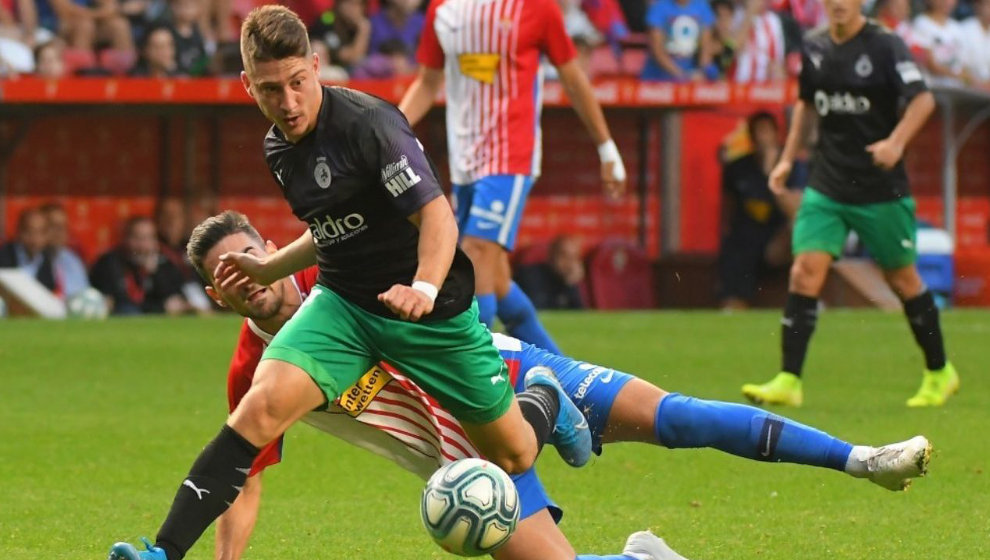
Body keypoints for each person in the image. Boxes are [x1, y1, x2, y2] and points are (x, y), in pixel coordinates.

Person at [139, 211, 929, 560]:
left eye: (248, 256)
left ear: (272, 248)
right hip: (469, 467)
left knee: (680, 417)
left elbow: (431, 260)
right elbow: (243, 475)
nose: (243, 277)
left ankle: (863, 458)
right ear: (219, 293)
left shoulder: (338, 273)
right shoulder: (260, 371)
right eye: (223, 276)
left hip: (506, 371)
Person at [107, 6, 590, 560]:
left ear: (316, 66)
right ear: (247, 86)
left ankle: (543, 396)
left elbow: (438, 218)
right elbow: (334, 230)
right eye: (270, 90)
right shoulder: (278, 148)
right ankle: (163, 552)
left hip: (429, 313)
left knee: (514, 456)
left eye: (297, 83)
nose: (288, 103)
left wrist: (424, 288)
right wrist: (269, 268)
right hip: (342, 305)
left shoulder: (370, 124)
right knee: (258, 410)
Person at [741, 0, 959, 408]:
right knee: (805, 271)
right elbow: (807, 104)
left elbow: (923, 100)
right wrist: (788, 159)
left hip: (879, 187)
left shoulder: (885, 45)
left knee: (903, 281)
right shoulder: (814, 46)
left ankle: (939, 371)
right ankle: (789, 379)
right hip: (828, 184)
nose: (839, 4)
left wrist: (896, 143)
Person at [399, 0, 626, 355]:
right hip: (465, 163)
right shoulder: (442, 10)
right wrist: (388, 131)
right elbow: (428, 81)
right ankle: (567, 380)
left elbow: (572, 75)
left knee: (473, 257)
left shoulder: (536, 7)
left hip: (510, 155)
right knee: (497, 278)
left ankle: (473, 380)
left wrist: (606, 147)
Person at [717, 112, 804, 310]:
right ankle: (733, 306)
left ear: (777, 134)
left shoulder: (792, 167)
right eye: (759, 131)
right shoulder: (738, 168)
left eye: (767, 131)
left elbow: (795, 213)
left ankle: (805, 299)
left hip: (777, 241)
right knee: (736, 253)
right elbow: (727, 212)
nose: (763, 137)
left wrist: (771, 174)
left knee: (798, 233)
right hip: (745, 241)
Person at [89, 216, 189, 315]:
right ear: (126, 239)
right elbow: (120, 303)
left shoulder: (164, 264)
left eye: (149, 238)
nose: (144, 246)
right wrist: (161, 308)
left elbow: (174, 298)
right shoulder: (110, 263)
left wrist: (155, 273)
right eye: (138, 238)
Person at [640, 0, 718, 82]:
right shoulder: (659, 7)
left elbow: (706, 47)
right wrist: (682, 75)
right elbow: (657, 51)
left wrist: (702, 71)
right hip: (660, 75)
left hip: (691, 71)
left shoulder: (702, 6)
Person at [514, 235, 586, 310]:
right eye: (564, 256)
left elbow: (580, 315)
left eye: (574, 257)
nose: (569, 263)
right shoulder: (529, 275)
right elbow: (538, 310)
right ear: (551, 255)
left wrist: (571, 286)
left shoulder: (570, 281)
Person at [40, 202, 90, 299]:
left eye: (63, 227)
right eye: (54, 226)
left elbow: (85, 295)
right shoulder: (32, 260)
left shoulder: (73, 261)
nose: (60, 232)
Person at [0, 207, 57, 292]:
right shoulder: (4, 256)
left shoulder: (47, 261)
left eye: (40, 232)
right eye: (29, 231)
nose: (35, 239)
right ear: (19, 232)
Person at [911, 0, 967, 85]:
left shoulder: (957, 28)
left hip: (958, 88)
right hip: (934, 87)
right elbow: (931, 65)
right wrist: (959, 76)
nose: (947, 2)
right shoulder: (921, 23)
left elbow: (964, 66)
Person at [960, 0, 990, 86]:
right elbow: (960, 66)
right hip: (968, 87)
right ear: (977, 6)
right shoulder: (964, 29)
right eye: (988, 5)